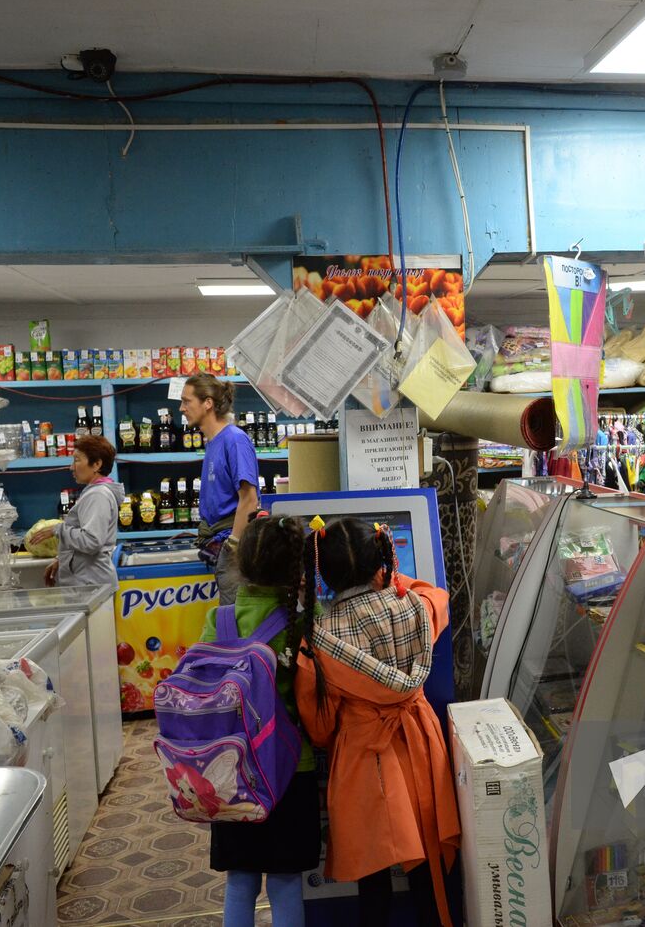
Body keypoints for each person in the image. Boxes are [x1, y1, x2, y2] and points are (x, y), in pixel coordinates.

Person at [295, 517, 460, 927]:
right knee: (427, 863)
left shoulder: (317, 639)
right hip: (420, 742)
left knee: (373, 871)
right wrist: (391, 577)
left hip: (363, 757)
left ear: (322, 574)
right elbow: (434, 594)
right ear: (381, 562)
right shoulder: (416, 607)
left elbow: (320, 727)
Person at [198, 514, 320, 927]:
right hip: (289, 770)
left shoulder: (219, 620)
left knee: (240, 880)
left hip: (231, 770)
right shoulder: (299, 626)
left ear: (242, 564)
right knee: (286, 883)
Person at [181, 374, 258, 606]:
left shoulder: (234, 440)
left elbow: (249, 498)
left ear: (207, 403)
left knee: (237, 626)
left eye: (187, 401)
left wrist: (232, 546)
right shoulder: (213, 442)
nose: (181, 408)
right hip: (219, 543)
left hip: (234, 551)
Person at [28, 435, 122, 587]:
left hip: (91, 584)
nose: (71, 467)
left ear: (97, 464)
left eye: (77, 460)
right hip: (87, 580)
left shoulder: (98, 495)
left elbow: (91, 541)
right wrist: (62, 560)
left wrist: (58, 530)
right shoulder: (94, 492)